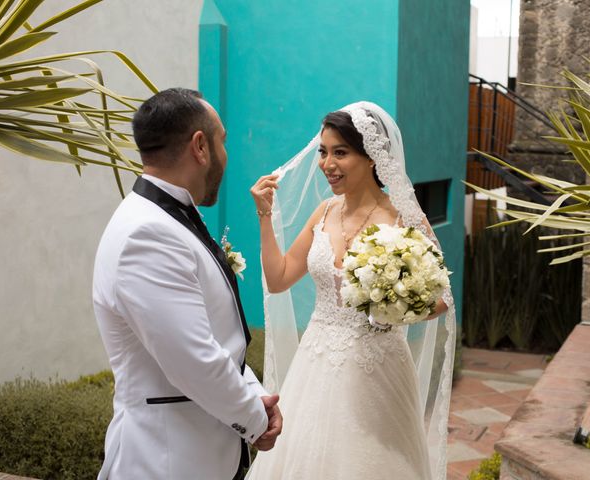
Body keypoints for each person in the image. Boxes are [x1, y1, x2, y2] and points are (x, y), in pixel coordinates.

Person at [246, 102, 456, 480]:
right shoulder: (324, 212)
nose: (327, 163)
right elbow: (278, 279)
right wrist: (264, 216)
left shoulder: (404, 219)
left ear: (372, 157)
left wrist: (393, 306)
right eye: (323, 152)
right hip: (317, 359)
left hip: (379, 366)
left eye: (340, 152)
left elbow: (443, 298)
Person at [92, 88, 282, 480]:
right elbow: (193, 359)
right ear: (200, 146)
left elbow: (217, 336)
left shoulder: (169, 217)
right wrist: (256, 419)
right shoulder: (147, 235)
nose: (226, 156)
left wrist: (257, 395)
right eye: (223, 141)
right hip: (166, 461)